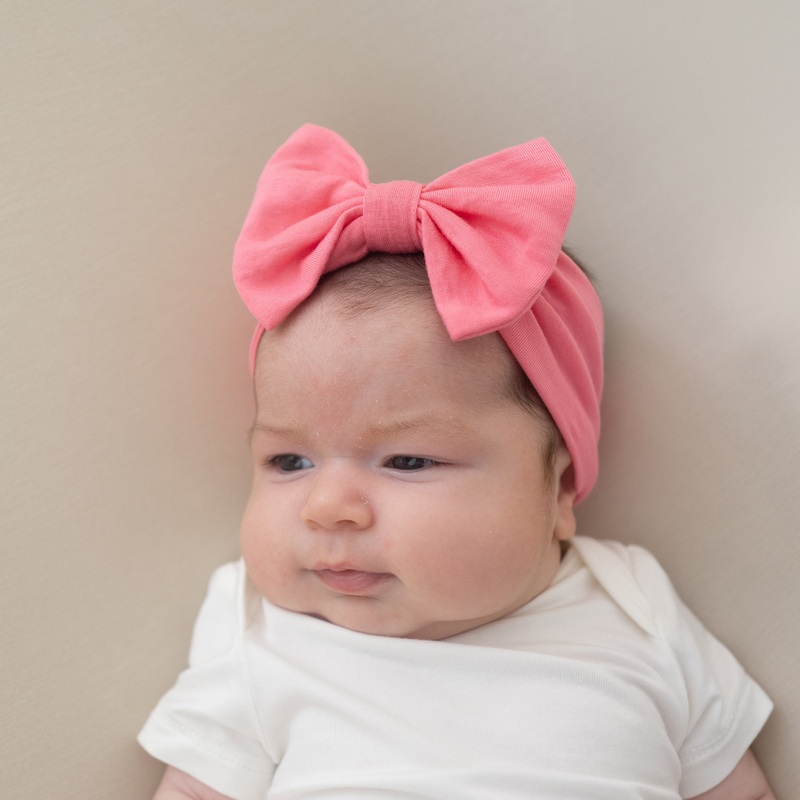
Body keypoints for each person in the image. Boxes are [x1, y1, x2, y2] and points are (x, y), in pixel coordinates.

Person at [139, 125, 775, 799]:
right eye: (289, 460)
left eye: (409, 461)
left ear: (560, 488)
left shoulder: (634, 604)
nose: (327, 508)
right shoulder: (259, 629)